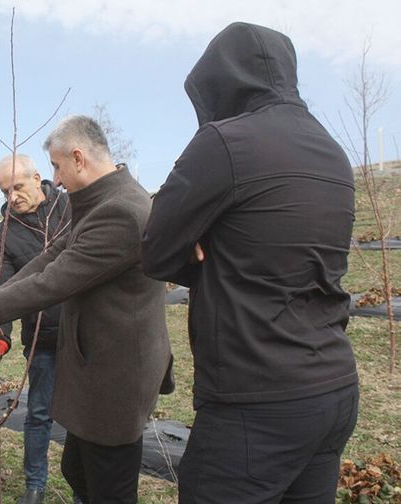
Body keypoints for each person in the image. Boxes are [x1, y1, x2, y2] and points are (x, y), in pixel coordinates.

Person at [141, 22, 359, 504]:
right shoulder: (334, 153)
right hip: (335, 388)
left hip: (255, 403)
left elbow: (155, 246)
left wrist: (206, 256)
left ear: (220, 81)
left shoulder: (225, 142)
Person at [0, 115, 171, 504]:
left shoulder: (120, 212)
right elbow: (48, 259)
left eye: (57, 167)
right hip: (89, 362)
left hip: (114, 375)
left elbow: (53, 281)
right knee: (77, 469)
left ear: (78, 158)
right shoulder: (100, 202)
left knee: (109, 488)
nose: (55, 180)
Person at [0, 153, 70, 504]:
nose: (12, 196)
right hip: (43, 339)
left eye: (17, 186)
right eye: (5, 191)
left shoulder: (72, 208)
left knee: (88, 417)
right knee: (38, 414)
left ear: (38, 178)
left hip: (89, 335)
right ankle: (35, 486)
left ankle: (86, 484)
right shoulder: (3, 235)